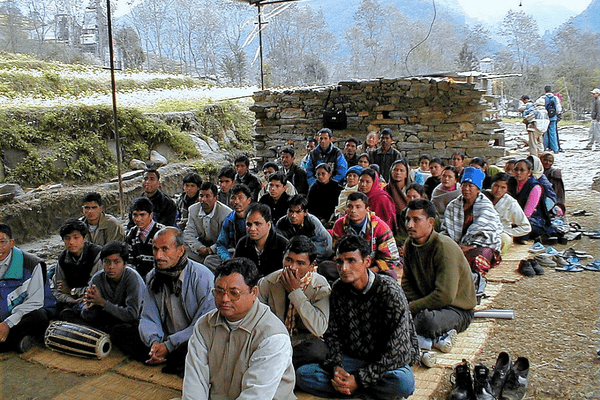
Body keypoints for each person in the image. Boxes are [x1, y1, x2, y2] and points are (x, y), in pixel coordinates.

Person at [296, 235, 420, 400]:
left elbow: (400, 351)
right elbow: (333, 334)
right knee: (303, 375)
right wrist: (337, 366)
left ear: (367, 262)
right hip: (352, 360)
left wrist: (360, 379)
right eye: (339, 262)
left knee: (404, 382)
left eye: (351, 260)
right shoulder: (339, 289)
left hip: (384, 362)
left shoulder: (389, 292)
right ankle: (358, 391)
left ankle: (350, 389)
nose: (344, 268)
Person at [182, 258, 295, 400]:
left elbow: (256, 395)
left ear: (254, 292)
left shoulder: (272, 336)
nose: (224, 299)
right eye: (219, 291)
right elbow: (195, 382)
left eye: (233, 293)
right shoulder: (204, 325)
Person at [113, 227, 215, 376]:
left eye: (165, 249)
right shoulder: (153, 276)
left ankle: (166, 357)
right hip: (164, 336)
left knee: (194, 349)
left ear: (180, 251)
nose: (158, 255)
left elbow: (203, 324)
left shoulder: (202, 277)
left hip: (190, 338)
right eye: (155, 249)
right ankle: (159, 354)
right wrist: (154, 342)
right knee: (119, 331)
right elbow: (148, 316)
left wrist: (169, 345)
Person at [402, 199, 477, 365]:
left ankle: (430, 338)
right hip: (426, 302)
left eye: (416, 220)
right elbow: (406, 282)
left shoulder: (444, 247)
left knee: (425, 321)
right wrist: (410, 304)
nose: (409, 225)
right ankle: (434, 339)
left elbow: (444, 296)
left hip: (456, 309)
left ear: (430, 222)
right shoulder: (410, 244)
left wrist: (412, 307)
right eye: (408, 219)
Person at [258, 236, 331, 368]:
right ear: (283, 257)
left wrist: (295, 292)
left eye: (300, 263)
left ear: (312, 266)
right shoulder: (268, 282)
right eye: (288, 260)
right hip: (275, 340)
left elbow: (319, 328)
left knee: (318, 350)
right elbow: (257, 320)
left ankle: (278, 367)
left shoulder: (320, 286)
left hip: (302, 343)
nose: (292, 267)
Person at [0, 223, 52, 353]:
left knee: (39, 318)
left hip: (23, 314)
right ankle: (17, 343)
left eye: (2, 242)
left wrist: (7, 323)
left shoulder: (31, 264)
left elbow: (35, 301)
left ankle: (11, 342)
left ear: (12, 243)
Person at [443, 167, 503, 276]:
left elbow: (490, 234)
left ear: (478, 189)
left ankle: (474, 280)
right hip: (455, 245)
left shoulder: (486, 207)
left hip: (478, 246)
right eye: (464, 185)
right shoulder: (453, 206)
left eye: (470, 186)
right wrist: (453, 245)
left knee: (478, 259)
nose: (466, 189)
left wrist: (470, 247)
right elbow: (445, 229)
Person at [81, 241, 146, 333]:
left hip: (133, 321)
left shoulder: (133, 278)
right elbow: (87, 312)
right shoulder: (97, 279)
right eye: (107, 262)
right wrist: (90, 305)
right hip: (109, 317)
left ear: (124, 264)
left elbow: (132, 315)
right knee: (69, 313)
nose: (111, 267)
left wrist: (102, 302)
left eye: (116, 262)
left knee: (120, 330)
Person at [331, 192, 400, 275]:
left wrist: (366, 273)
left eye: (358, 207)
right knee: (326, 267)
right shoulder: (339, 224)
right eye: (350, 206)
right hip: (347, 266)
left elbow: (392, 259)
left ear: (367, 209)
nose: (353, 210)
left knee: (390, 275)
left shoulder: (380, 227)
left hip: (373, 268)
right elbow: (336, 253)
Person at [52, 218, 103, 322]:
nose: (71, 242)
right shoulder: (62, 258)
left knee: (90, 312)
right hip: (73, 300)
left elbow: (95, 288)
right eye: (67, 238)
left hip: (93, 300)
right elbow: (56, 288)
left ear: (85, 238)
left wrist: (71, 291)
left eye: (76, 238)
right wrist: (72, 300)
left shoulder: (96, 254)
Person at [183, 182, 232, 264]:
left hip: (218, 249)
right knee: (181, 249)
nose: (203, 200)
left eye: (207, 196)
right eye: (201, 196)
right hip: (201, 248)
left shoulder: (226, 213)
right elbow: (188, 233)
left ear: (216, 198)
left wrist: (210, 250)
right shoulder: (193, 209)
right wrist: (199, 248)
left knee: (211, 260)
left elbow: (226, 239)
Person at [235, 203, 289, 277]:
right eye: (249, 224)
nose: (252, 228)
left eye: (257, 224)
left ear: (268, 225)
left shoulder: (283, 245)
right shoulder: (242, 244)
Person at [508, 159, 555, 240]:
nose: (518, 173)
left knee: (525, 229)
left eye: (522, 170)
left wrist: (512, 222)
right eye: (516, 169)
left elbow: (527, 213)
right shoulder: (511, 182)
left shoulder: (535, 187)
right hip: (514, 218)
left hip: (532, 219)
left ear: (529, 172)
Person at [276, 194, 333, 262]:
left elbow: (325, 245)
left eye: (298, 212)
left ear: (305, 212)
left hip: (318, 253)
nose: (293, 215)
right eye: (291, 211)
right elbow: (280, 245)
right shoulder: (281, 223)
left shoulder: (313, 223)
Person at [484, 173, 531, 252]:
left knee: (503, 240)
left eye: (503, 187)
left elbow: (526, 227)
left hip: (501, 234)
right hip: (482, 230)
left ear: (507, 189)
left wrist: (505, 231)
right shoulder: (483, 196)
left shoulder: (511, 203)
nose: (498, 190)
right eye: (496, 186)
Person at [210, 184, 253, 268]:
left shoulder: (256, 217)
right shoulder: (229, 219)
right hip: (235, 254)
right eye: (233, 198)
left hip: (252, 254)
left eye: (240, 198)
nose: (236, 202)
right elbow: (221, 244)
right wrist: (227, 259)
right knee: (209, 261)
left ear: (249, 200)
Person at [125, 197, 165, 279]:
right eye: (135, 215)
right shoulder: (132, 233)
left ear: (151, 215)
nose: (138, 219)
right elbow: (130, 260)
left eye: (142, 215)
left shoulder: (162, 232)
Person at [358, 168, 397, 233]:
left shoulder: (382, 198)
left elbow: (388, 222)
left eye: (368, 182)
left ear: (374, 182)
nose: (363, 185)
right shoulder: (358, 196)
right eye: (361, 181)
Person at [543, 85, 562, 153]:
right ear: (551, 90)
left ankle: (545, 148)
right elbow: (558, 108)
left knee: (545, 133)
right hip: (553, 117)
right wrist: (558, 114)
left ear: (545, 90)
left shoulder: (543, 98)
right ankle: (555, 149)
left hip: (545, 118)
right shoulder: (555, 98)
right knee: (553, 133)